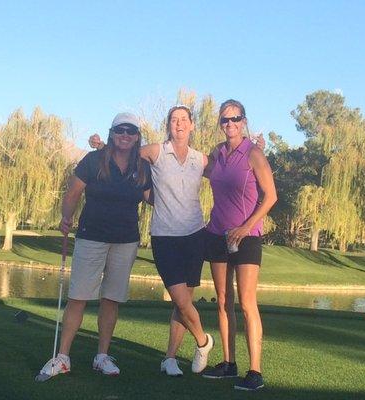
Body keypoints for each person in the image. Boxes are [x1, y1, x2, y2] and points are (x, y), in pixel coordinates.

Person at [89, 105, 214, 377]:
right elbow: (127, 152)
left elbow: (228, 170)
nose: (179, 124)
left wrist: (254, 148)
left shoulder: (200, 159)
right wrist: (102, 147)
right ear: (168, 125)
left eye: (184, 120)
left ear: (192, 125)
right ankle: (204, 341)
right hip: (164, 235)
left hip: (194, 234)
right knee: (181, 299)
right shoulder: (156, 151)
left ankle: (170, 358)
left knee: (184, 302)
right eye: (174, 120)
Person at [37, 112, 152, 378]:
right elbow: (73, 192)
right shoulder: (94, 160)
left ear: (137, 136)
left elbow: (152, 197)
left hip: (126, 240)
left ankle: (102, 356)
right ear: (112, 133)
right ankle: (63, 357)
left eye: (131, 131)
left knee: (111, 299)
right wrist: (66, 216)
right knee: (78, 296)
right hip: (91, 236)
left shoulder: (142, 167)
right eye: (120, 130)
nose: (125, 135)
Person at [202, 99, 277, 391]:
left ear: (244, 120)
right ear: (220, 124)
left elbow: (270, 196)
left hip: (247, 237)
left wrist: (246, 227)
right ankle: (229, 363)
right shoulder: (217, 154)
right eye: (224, 120)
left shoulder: (254, 153)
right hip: (217, 233)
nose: (230, 123)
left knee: (247, 302)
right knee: (222, 300)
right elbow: (190, 165)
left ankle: (255, 371)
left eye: (235, 118)